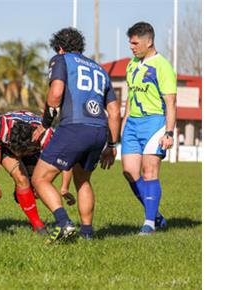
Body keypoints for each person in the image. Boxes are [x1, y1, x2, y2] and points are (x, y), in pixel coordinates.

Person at [31, 27, 120, 243]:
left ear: (60, 48)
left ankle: (64, 223)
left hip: (74, 127)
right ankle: (87, 234)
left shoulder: (61, 60)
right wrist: (111, 145)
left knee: (40, 178)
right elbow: (115, 111)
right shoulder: (100, 69)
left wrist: (45, 123)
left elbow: (56, 93)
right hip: (99, 130)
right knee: (83, 180)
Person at [121, 22, 176, 235]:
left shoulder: (162, 66)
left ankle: (149, 224)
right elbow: (130, 98)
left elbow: (170, 102)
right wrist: (124, 124)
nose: (132, 47)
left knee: (149, 171)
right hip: (133, 124)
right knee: (129, 171)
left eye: (135, 43)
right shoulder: (131, 64)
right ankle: (156, 214)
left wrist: (169, 132)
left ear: (149, 41)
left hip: (155, 123)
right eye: (130, 43)